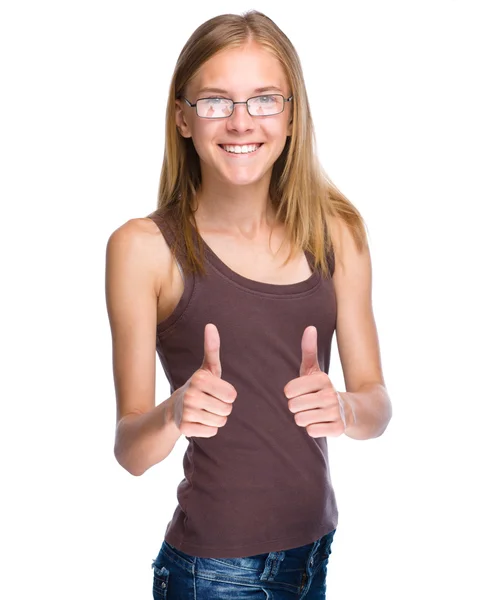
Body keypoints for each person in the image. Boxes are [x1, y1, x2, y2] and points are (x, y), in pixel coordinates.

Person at [105, 9, 392, 599]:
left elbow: (378, 404)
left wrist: (344, 409)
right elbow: (130, 451)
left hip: (316, 551)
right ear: (183, 118)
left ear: (292, 115)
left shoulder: (337, 233)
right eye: (215, 101)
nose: (240, 122)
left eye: (264, 99)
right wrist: (175, 412)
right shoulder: (143, 249)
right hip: (213, 576)